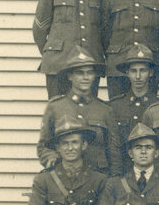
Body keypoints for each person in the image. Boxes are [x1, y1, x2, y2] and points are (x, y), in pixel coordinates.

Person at [35, 46, 114, 174]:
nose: (85, 77)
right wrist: (53, 159)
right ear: (70, 76)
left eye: (89, 73)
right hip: (65, 175)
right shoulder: (55, 107)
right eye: (80, 73)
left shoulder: (105, 110)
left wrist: (114, 179)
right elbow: (43, 147)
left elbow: (114, 151)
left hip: (98, 177)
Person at [103, 45, 159, 174]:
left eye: (143, 70)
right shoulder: (115, 106)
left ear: (151, 73)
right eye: (133, 71)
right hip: (124, 172)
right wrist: (117, 175)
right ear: (127, 73)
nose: (138, 76)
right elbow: (113, 146)